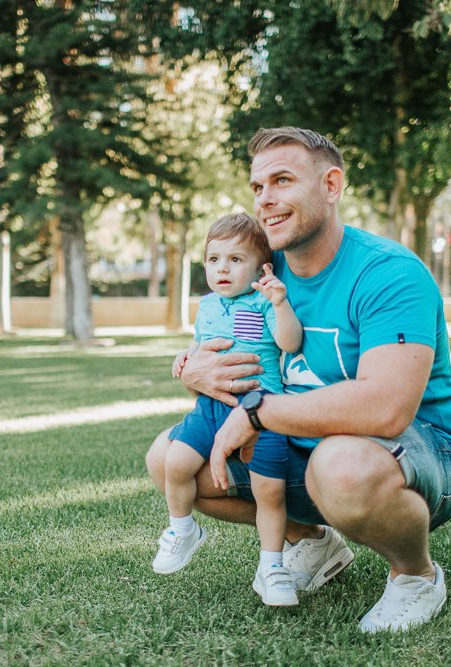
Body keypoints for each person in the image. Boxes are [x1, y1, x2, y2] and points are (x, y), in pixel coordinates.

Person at [146, 127, 451, 633]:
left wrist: (257, 411)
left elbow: (386, 409)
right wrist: (196, 369)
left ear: (331, 185)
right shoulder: (260, 271)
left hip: (424, 449)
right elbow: (225, 343)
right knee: (170, 461)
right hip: (301, 441)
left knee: (339, 465)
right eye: (258, 187)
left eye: (282, 181)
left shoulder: (387, 273)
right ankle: (312, 541)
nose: (266, 200)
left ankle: (416, 575)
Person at [153, 212, 306, 607]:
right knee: (175, 462)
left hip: (262, 410)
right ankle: (182, 528)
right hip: (212, 406)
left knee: (268, 492)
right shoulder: (207, 305)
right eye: (214, 259)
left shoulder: (263, 301)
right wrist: (185, 357)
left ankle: (272, 565)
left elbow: (289, 343)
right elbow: (203, 343)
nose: (223, 268)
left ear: (261, 267)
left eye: (236, 260)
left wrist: (281, 302)